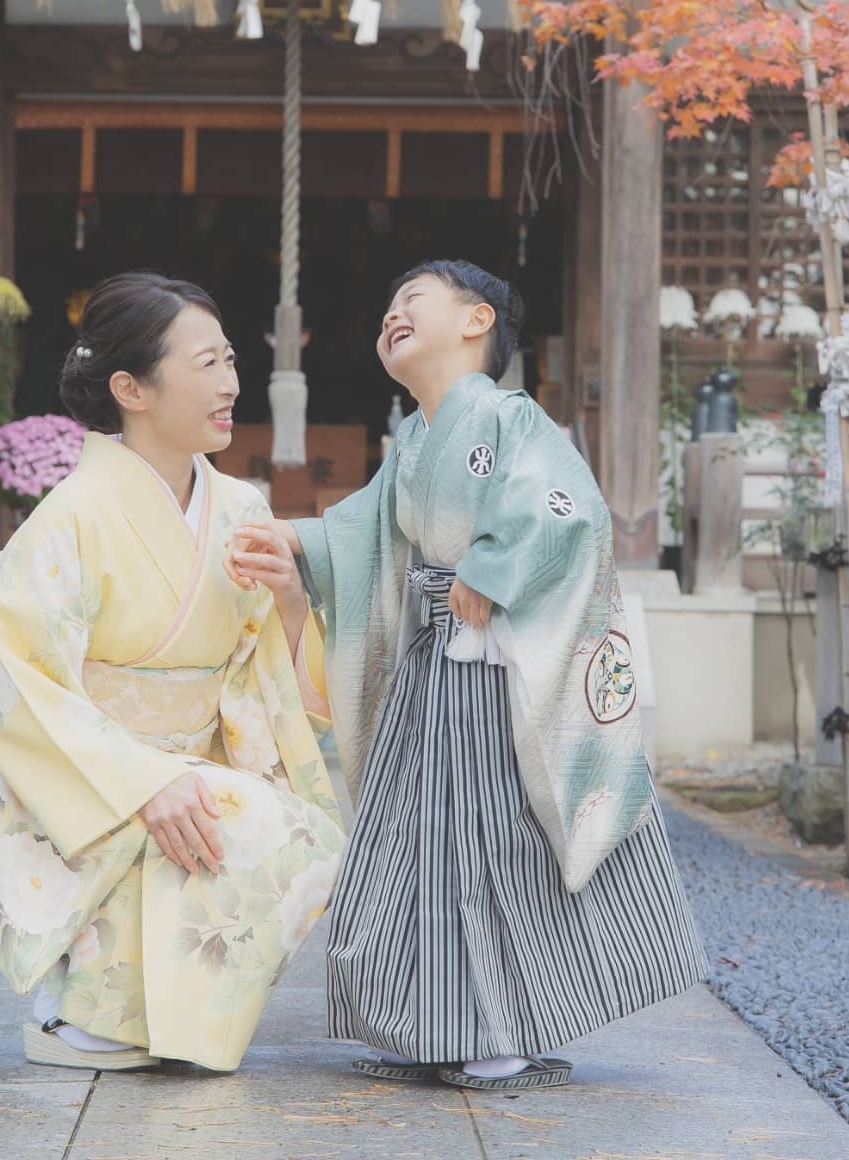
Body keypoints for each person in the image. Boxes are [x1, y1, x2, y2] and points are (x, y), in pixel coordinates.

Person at [231, 260, 707, 1091]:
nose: (393, 315)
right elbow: (368, 528)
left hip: (491, 667)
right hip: (434, 664)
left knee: (491, 838)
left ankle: (500, 1027)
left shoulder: (506, 416)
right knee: (414, 837)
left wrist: (490, 568)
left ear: (477, 319)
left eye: (412, 299)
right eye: (388, 307)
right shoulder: (416, 440)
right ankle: (429, 1021)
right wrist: (299, 540)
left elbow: (567, 508)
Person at [0, 271, 344, 1074]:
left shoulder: (239, 507)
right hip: (85, 772)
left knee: (302, 842)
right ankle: (82, 1011)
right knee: (221, 817)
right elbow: (20, 683)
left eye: (230, 360)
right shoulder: (71, 515)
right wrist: (140, 781)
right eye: (206, 363)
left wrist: (293, 603)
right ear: (131, 388)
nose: (230, 384)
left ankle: (160, 1018)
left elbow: (260, 662)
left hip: (199, 761)